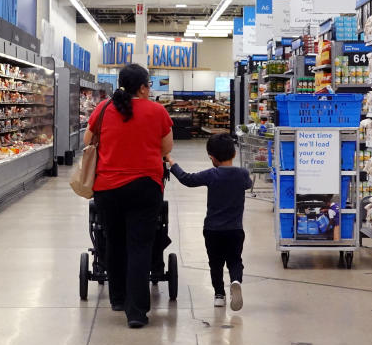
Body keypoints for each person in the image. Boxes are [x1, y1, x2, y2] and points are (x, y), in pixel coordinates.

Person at [86, 63, 173, 328]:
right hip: (145, 186)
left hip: (107, 188)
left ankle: (118, 298)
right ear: (144, 87)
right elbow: (165, 147)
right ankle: (136, 313)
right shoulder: (157, 111)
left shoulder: (103, 109)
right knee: (140, 247)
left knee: (114, 242)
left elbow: (88, 141)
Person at [168, 133, 251, 311]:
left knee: (215, 263)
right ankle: (236, 281)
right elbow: (247, 184)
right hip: (235, 229)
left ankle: (219, 295)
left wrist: (172, 163)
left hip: (212, 230)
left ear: (212, 157)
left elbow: (187, 179)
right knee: (235, 260)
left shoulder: (212, 175)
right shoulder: (242, 174)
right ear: (234, 154)